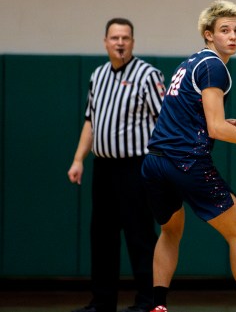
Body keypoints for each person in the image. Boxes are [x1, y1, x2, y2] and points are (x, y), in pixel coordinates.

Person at [141, 0, 236, 312]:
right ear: (208, 35)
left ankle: (158, 305)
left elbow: (184, 113)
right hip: (186, 162)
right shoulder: (214, 66)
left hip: (154, 162)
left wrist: (208, 124)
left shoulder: (189, 63)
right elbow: (218, 129)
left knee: (170, 232)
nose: (232, 36)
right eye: (224, 30)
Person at [68, 18, 166, 312]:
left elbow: (164, 120)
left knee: (140, 236)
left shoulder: (148, 75)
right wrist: (77, 160)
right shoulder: (97, 76)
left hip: (135, 167)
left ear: (133, 42)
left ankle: (149, 302)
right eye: (114, 37)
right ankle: (102, 301)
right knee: (102, 237)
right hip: (104, 168)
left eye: (125, 37)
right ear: (105, 42)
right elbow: (90, 121)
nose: (120, 42)